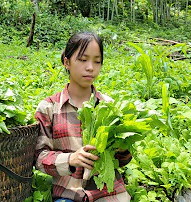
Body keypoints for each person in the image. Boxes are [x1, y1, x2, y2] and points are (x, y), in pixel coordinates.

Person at [34, 32, 132, 202]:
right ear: (67, 62)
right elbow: (39, 157)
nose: (90, 67)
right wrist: (70, 159)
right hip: (69, 195)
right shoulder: (49, 107)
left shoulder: (109, 106)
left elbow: (122, 161)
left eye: (97, 61)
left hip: (108, 195)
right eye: (83, 59)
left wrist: (122, 149)